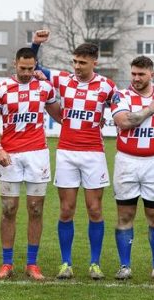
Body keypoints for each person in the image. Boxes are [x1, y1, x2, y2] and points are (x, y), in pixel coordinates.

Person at [33, 32, 117, 280]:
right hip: (67, 153)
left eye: (82, 62)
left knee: (95, 209)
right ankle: (66, 263)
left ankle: (95, 263)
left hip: (93, 154)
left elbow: (122, 108)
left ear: (94, 62)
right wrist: (36, 44)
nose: (77, 67)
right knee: (66, 209)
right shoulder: (63, 80)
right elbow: (34, 67)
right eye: (75, 62)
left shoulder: (107, 86)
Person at [0, 47, 60, 281]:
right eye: (22, 68)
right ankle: (7, 263)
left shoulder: (45, 88)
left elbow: (60, 116)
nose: (27, 73)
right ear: (14, 64)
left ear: (35, 65)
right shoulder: (1, 89)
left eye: (30, 68)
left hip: (37, 154)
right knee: (8, 209)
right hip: (10, 156)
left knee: (36, 209)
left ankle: (32, 264)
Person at [109, 56, 154, 281]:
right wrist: (150, 109)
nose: (136, 78)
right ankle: (124, 266)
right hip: (127, 161)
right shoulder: (121, 96)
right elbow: (124, 122)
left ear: (151, 75)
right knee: (125, 214)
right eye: (133, 73)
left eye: (141, 74)